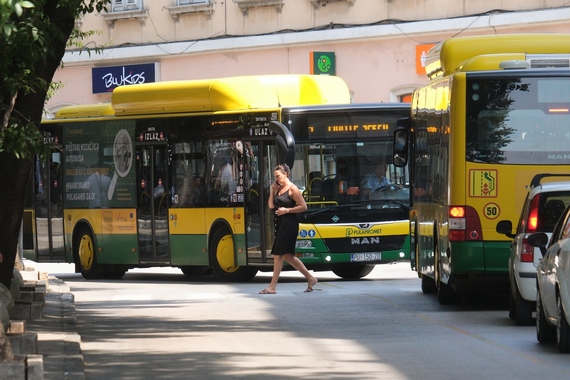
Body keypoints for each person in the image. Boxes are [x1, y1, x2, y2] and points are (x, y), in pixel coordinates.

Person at [259, 163, 318, 294]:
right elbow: (270, 206)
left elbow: (303, 206)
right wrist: (272, 191)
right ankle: (311, 278)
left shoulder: (293, 189)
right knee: (288, 256)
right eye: (275, 176)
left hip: (289, 224)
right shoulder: (278, 188)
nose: (276, 179)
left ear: (285, 174)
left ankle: (272, 287)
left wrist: (287, 210)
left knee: (278, 255)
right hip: (280, 224)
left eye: (278, 176)